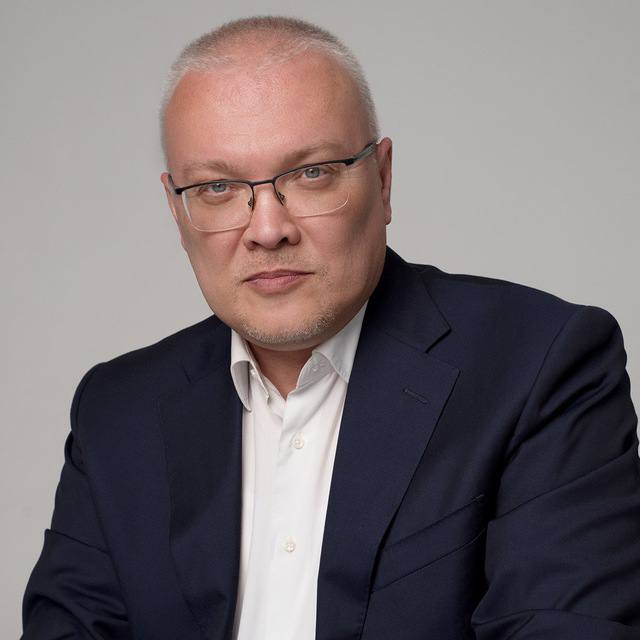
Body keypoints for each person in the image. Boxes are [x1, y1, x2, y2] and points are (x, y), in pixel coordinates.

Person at [21, 15, 640, 640]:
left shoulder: (539, 367)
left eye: (311, 173)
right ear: (176, 212)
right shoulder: (117, 412)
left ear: (383, 179)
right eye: (217, 187)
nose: (267, 230)